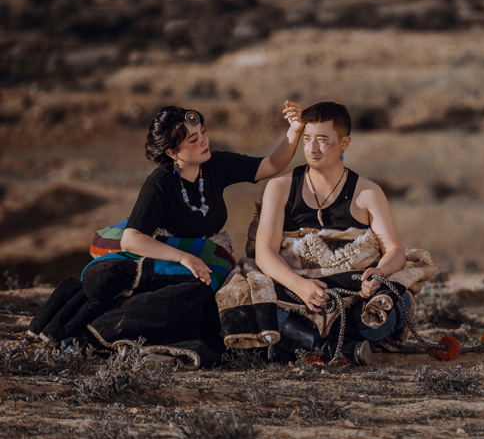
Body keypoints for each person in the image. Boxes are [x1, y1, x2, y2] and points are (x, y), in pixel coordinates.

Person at [29, 101, 304, 367]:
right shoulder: (159, 183)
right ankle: (94, 333)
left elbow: (270, 164)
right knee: (189, 291)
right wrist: (184, 257)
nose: (203, 141)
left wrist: (294, 130)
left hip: (207, 256)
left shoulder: (216, 164)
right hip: (163, 254)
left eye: (202, 133)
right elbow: (132, 238)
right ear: (173, 152)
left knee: (200, 300)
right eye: (193, 141)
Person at [254, 101, 410, 365]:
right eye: (307, 139)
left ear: (344, 143)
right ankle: (336, 348)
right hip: (294, 290)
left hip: (353, 292)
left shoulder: (368, 193)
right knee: (251, 299)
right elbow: (264, 252)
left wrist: (379, 274)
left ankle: (308, 344)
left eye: (323, 140)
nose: (312, 149)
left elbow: (395, 250)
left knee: (396, 300)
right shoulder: (279, 187)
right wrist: (299, 286)